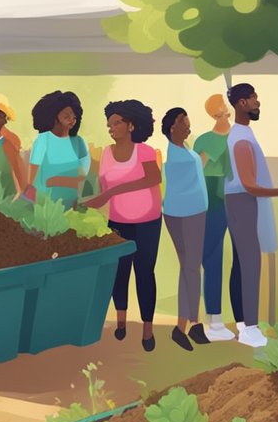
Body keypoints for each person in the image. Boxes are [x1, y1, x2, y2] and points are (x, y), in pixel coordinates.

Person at [224, 83, 278, 348]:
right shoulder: (241, 139)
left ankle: (244, 324)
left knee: (242, 263)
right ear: (240, 103)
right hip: (242, 202)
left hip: (241, 202)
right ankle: (250, 328)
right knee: (249, 263)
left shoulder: (243, 133)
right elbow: (249, 184)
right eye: (253, 98)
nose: (258, 101)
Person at [84, 100, 162, 352]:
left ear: (131, 124)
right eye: (109, 124)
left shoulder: (145, 151)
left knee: (144, 273)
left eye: (116, 123)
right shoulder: (106, 153)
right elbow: (104, 188)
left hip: (147, 222)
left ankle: (147, 330)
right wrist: (92, 202)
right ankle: (121, 322)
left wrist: (114, 192)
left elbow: (153, 178)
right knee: (119, 273)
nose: (111, 128)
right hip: (117, 221)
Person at [160, 107, 211, 350]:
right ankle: (194, 323)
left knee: (188, 268)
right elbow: (193, 171)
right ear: (173, 127)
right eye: (184, 123)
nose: (189, 126)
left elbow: (195, 168)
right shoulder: (178, 156)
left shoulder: (181, 151)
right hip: (188, 214)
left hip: (180, 213)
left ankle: (182, 326)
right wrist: (204, 159)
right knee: (192, 268)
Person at [194, 94, 241, 341]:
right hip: (213, 198)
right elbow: (198, 173)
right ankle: (215, 321)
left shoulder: (239, 136)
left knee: (242, 258)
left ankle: (244, 322)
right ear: (214, 112)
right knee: (211, 257)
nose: (225, 108)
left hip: (237, 195)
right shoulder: (205, 140)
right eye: (220, 105)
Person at [28, 91, 90, 206]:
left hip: (72, 203)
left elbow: (82, 177)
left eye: (74, 117)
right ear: (53, 115)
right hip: (46, 203)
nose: (71, 119)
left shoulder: (78, 142)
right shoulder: (43, 140)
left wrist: (56, 181)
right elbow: (33, 175)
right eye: (66, 116)